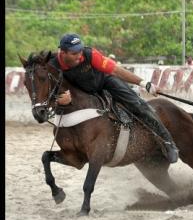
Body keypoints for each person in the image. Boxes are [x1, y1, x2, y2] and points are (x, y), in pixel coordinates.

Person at [49, 33, 179, 163]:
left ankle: (168, 142)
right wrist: (57, 99)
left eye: (80, 50)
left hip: (105, 82)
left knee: (138, 105)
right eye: (74, 53)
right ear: (63, 52)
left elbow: (115, 70)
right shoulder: (53, 65)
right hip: (82, 93)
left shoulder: (90, 54)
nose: (79, 55)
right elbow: (45, 92)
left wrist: (144, 83)